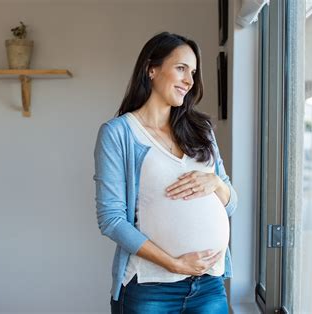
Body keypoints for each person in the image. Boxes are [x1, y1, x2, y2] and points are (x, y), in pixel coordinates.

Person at [94, 31, 238, 314]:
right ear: (151, 68)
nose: (189, 80)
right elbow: (111, 219)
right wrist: (174, 263)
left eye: (193, 72)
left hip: (208, 284)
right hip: (151, 287)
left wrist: (216, 184)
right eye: (181, 68)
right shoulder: (119, 133)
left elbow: (231, 204)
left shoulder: (202, 130)